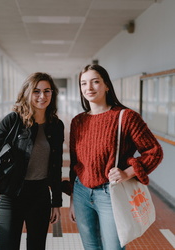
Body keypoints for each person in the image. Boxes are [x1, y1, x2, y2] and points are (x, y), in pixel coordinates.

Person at [68, 64, 163, 250]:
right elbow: (74, 162)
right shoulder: (78, 121)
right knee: (90, 247)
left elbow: (154, 151)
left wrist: (128, 173)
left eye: (95, 82)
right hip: (81, 193)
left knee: (114, 247)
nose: (89, 88)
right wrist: (72, 198)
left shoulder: (126, 117)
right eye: (84, 83)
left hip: (110, 194)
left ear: (106, 85)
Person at [0, 72, 64, 250]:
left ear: (53, 94)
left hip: (40, 196)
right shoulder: (13, 120)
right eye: (36, 91)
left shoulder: (56, 125)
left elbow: (56, 165)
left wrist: (56, 203)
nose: (42, 96)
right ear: (27, 93)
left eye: (47, 91)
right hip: (12, 195)